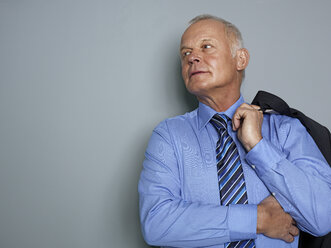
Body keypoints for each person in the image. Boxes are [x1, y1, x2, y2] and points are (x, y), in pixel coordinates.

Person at [138, 14, 331, 248]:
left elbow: (324, 218)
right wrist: (258, 219)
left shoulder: (286, 130)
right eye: (185, 53)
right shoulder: (168, 136)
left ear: (240, 59)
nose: (193, 58)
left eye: (206, 46)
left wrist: (258, 145)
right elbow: (156, 223)